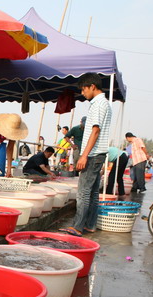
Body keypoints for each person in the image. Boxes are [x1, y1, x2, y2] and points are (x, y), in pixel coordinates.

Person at [59, 73, 111, 237]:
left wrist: (83, 155)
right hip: (99, 153)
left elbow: (95, 131)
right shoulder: (106, 103)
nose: (83, 93)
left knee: (83, 192)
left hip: (93, 154)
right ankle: (90, 224)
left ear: (92, 87)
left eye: (84, 89)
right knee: (93, 192)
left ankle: (77, 226)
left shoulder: (97, 104)